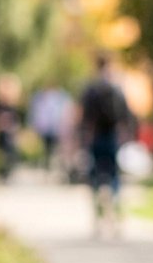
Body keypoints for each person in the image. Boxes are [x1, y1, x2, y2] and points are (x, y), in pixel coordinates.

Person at [78, 52, 134, 235]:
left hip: (95, 138)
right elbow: (126, 115)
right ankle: (116, 214)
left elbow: (84, 118)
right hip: (112, 137)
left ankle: (98, 217)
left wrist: (83, 138)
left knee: (95, 177)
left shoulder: (91, 89)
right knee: (114, 176)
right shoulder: (117, 88)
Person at [28, 83, 71, 173]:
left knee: (55, 148)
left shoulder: (60, 98)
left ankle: (55, 166)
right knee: (47, 148)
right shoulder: (40, 98)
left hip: (55, 128)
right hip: (46, 128)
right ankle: (48, 166)